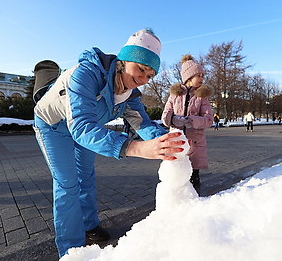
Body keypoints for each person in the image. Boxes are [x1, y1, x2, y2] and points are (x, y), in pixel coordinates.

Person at [33, 28, 185, 258]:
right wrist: (134, 148)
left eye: (150, 75)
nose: (143, 79)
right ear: (125, 60)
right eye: (141, 69)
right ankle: (71, 251)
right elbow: (82, 127)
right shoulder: (87, 74)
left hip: (85, 127)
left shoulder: (131, 95)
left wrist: (167, 141)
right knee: (68, 183)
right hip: (54, 126)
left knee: (86, 175)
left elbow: (142, 123)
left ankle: (89, 225)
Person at [161, 54, 213, 195]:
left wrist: (192, 120)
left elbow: (209, 120)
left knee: (193, 177)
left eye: (203, 75)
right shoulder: (174, 94)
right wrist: (173, 120)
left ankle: (194, 205)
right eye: (199, 75)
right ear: (189, 77)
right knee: (176, 175)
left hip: (195, 142)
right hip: (177, 140)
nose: (202, 78)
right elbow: (165, 115)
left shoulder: (202, 96)